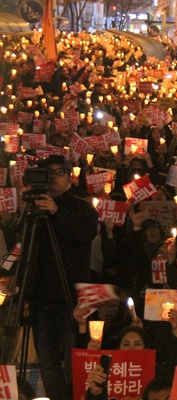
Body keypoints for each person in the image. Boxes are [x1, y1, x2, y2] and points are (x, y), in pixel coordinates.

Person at [21, 155, 98, 400]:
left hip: (71, 299)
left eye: (60, 173)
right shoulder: (33, 208)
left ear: (70, 177)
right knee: (48, 363)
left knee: (75, 361)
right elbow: (24, 249)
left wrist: (56, 212)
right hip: (40, 299)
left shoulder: (81, 208)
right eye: (49, 173)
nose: (54, 178)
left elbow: (85, 235)